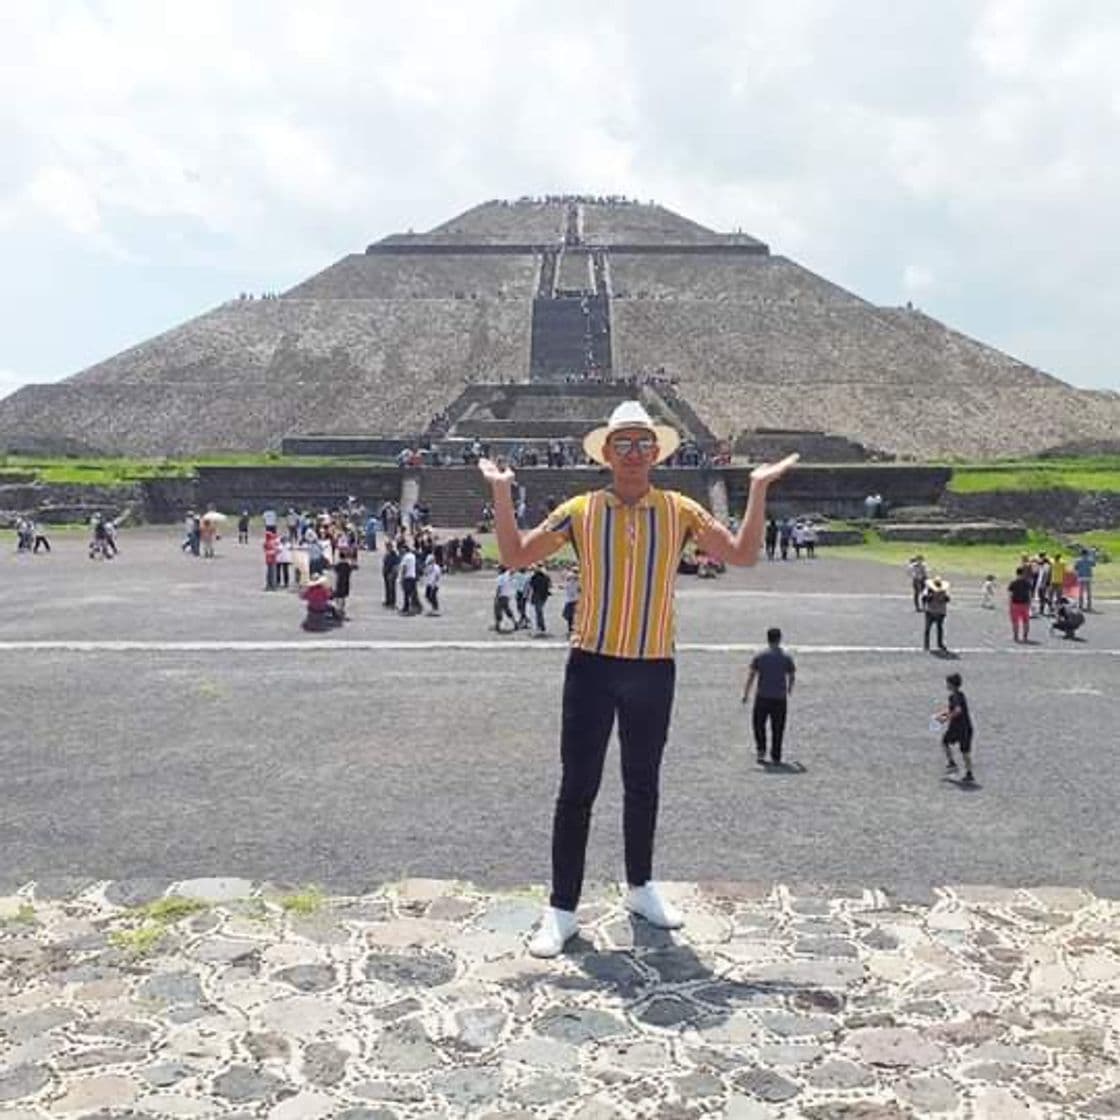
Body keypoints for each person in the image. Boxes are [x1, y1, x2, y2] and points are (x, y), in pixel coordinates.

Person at [479, 399, 797, 958]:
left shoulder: (680, 511)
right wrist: (503, 492)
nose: (632, 453)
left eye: (642, 443)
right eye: (622, 443)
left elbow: (743, 554)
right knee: (577, 789)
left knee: (642, 783)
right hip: (593, 664)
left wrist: (757, 489)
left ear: (656, 452)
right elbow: (514, 553)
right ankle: (561, 909)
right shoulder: (580, 511)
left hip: (653, 665)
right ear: (606, 453)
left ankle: (641, 886)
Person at [741, 628, 796, 765]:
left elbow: (751, 675)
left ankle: (761, 750)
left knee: (759, 724)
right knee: (778, 727)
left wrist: (746, 693)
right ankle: (776, 754)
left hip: (763, 696)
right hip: (780, 697)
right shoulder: (786, 657)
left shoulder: (760, 656)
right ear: (779, 639)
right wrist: (789, 689)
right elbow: (792, 675)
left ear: (767, 639)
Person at [936, 672, 975, 784]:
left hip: (957, 727)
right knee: (965, 752)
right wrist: (942, 716)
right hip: (967, 727)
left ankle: (952, 763)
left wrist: (946, 718)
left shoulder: (954, 697)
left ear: (951, 684)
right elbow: (953, 710)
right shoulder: (961, 695)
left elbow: (957, 711)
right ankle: (969, 773)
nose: (946, 685)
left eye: (947, 683)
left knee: (945, 742)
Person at [921, 576, 951, 652]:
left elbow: (947, 599)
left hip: (938, 611)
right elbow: (924, 599)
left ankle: (938, 644)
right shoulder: (928, 590)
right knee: (929, 628)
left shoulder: (944, 591)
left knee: (938, 628)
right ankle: (927, 644)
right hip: (933, 611)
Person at [1007, 566, 1033, 643]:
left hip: (1015, 603)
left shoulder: (1013, 582)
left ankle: (1016, 637)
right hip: (1025, 604)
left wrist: (1010, 604)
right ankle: (1025, 637)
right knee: (1026, 621)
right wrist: (1030, 603)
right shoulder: (1027, 582)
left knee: (1015, 622)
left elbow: (1010, 594)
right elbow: (1030, 594)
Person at [529, 563, 552, 635]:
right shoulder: (544, 576)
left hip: (539, 595)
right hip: (542, 595)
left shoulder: (535, 577)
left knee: (539, 611)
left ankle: (541, 626)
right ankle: (540, 625)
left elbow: (532, 586)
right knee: (539, 611)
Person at [493, 565, 517, 632]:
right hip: (507, 595)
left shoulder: (500, 577)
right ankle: (515, 623)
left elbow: (499, 588)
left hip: (501, 596)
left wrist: (497, 596)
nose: (497, 570)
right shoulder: (508, 576)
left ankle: (497, 625)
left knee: (498, 610)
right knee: (507, 610)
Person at [398, 543, 420, 615]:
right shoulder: (413, 556)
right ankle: (415, 607)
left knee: (407, 594)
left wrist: (401, 578)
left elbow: (404, 568)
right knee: (412, 593)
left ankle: (407, 608)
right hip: (412, 576)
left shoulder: (406, 557)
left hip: (407, 577)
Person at [1074, 548, 1095, 612]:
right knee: (1088, 592)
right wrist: (1092, 555)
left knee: (1081, 592)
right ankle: (1089, 606)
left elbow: (1076, 568)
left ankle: (1080, 605)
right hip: (1088, 576)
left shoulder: (1078, 560)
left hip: (1081, 576)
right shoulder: (1089, 560)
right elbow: (1094, 564)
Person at [381, 541, 400, 609]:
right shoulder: (387, 554)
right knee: (387, 588)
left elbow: (396, 565)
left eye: (388, 546)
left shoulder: (394, 554)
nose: (387, 548)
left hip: (391, 573)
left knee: (392, 588)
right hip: (386, 573)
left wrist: (393, 573)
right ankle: (388, 601)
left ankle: (392, 603)